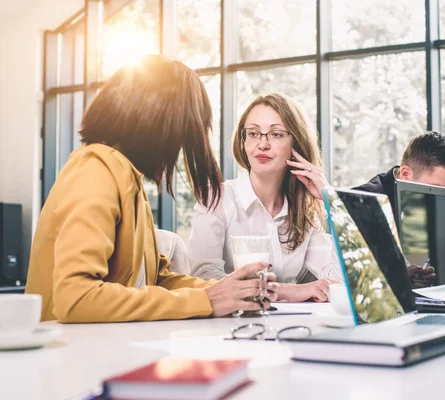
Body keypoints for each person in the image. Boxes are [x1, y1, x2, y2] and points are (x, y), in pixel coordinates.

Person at [25, 55, 278, 322]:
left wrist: (231, 290)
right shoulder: (95, 169)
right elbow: (76, 298)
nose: (179, 147)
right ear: (158, 123)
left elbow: (157, 280)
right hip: (69, 353)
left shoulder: (126, 178)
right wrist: (206, 299)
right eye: (182, 132)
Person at [188, 93, 342, 302]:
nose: (262, 144)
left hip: (292, 328)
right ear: (243, 141)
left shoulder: (305, 214)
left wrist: (331, 201)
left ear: (295, 145)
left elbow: (336, 282)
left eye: (276, 134)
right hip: (228, 328)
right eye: (253, 133)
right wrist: (286, 291)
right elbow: (205, 278)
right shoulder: (216, 199)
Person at [353, 131, 445, 286]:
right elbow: (365, 271)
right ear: (405, 173)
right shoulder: (363, 202)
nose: (441, 197)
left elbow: (437, 252)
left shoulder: (431, 200)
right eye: (435, 188)